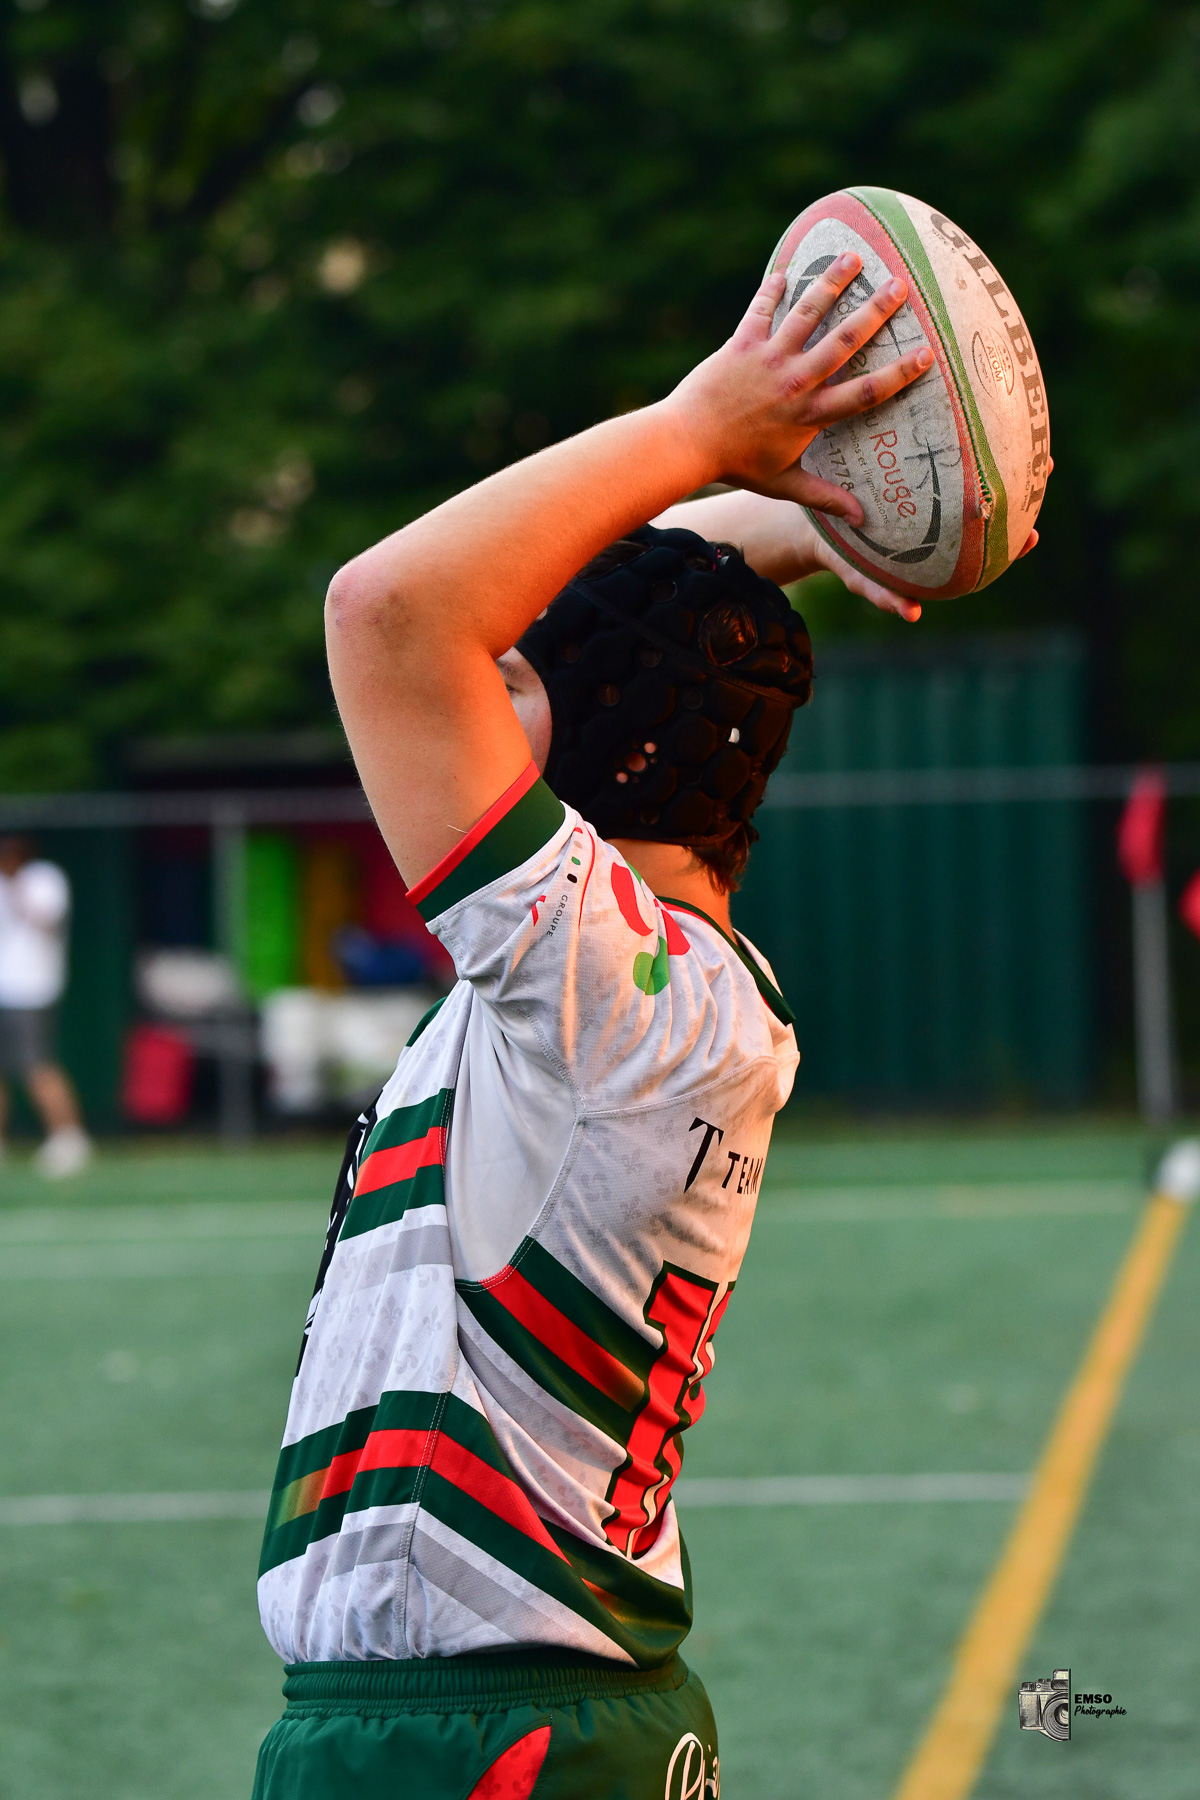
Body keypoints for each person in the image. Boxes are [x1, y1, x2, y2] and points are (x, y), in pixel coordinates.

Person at [252, 255, 1038, 1798]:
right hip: (520, 1716)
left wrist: (704, 422)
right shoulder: (640, 992)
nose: (490, 704)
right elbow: (624, 609)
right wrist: (813, 512)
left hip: (478, 1738)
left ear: (616, 745)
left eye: (524, 690)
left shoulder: (610, 999)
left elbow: (390, 613)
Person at [0, 835, 92, 1177]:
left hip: (32, 989)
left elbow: (46, 922)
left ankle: (69, 1137)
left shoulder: (43, 878)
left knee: (37, 1067)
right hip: (2, 989)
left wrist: (15, 889)